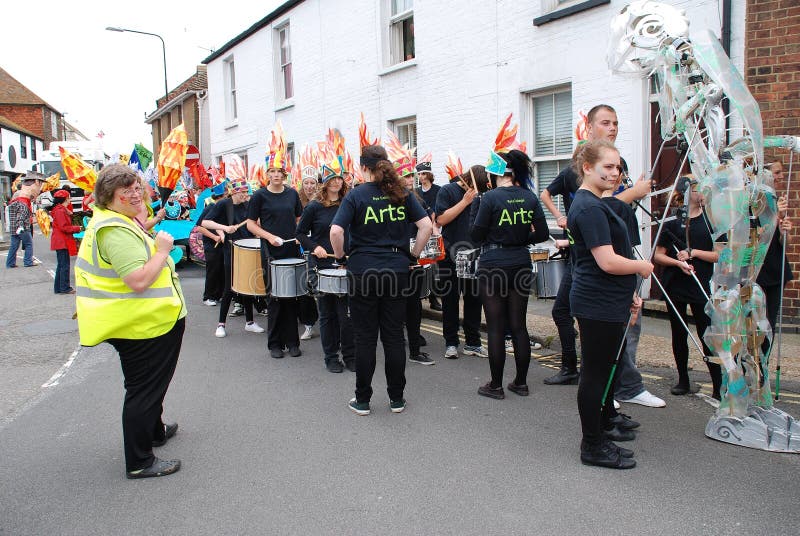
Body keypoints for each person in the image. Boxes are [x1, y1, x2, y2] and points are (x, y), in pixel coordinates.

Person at [74, 164, 184, 479]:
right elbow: (138, 280)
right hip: (140, 325)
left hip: (147, 322)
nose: (137, 194)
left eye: (138, 187)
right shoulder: (114, 230)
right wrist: (163, 251)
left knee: (151, 386)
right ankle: (140, 461)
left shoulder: (117, 220)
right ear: (110, 196)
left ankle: (155, 430)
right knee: (144, 390)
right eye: (128, 191)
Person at [567, 140, 653, 469]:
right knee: (595, 375)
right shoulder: (588, 207)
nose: (615, 173)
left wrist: (629, 294)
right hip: (596, 303)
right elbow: (606, 261)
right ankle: (592, 445)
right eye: (608, 166)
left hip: (608, 299)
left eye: (617, 167)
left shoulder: (596, 203)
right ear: (587, 167)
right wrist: (641, 267)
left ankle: (601, 432)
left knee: (603, 374)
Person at [330, 144, 432, 415]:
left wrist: (341, 257)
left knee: (365, 338)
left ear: (363, 167)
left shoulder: (355, 196)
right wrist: (412, 255)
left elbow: (336, 232)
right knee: (394, 337)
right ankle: (396, 399)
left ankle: (362, 400)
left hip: (363, 270)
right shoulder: (402, 193)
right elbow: (426, 227)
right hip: (396, 271)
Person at [470, 149, 550, 399]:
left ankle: (495, 386)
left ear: (495, 173)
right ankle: (521, 383)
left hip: (493, 263)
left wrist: (477, 209)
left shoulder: (489, 198)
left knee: (495, 327)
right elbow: (542, 234)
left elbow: (475, 236)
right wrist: (520, 238)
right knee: (519, 326)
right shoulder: (529, 196)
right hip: (520, 262)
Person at [653, 177, 722, 399]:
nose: (703, 191)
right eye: (698, 188)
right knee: (679, 333)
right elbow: (658, 255)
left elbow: (720, 255)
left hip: (700, 283)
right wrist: (677, 262)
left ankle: (718, 384)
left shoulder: (711, 220)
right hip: (675, 284)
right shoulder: (673, 221)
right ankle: (683, 379)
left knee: (706, 333)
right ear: (686, 192)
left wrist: (694, 253)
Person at [296, 157, 355, 373]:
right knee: (328, 314)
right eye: (332, 178)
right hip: (322, 266)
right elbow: (300, 234)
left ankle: (350, 355)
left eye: (340, 178)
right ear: (325, 181)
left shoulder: (350, 203)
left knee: (347, 314)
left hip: (346, 264)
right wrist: (314, 247)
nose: (337, 182)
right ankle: (331, 357)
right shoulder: (314, 207)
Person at [246, 153, 304, 358]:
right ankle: (275, 344)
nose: (277, 175)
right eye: (273, 171)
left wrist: (299, 235)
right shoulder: (259, 196)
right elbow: (251, 223)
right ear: (267, 174)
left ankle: (292, 342)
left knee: (292, 296)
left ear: (285, 174)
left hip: (290, 250)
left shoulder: (292, 194)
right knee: (275, 298)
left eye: (280, 171)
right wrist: (269, 237)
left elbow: (299, 219)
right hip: (271, 252)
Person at [434, 165, 488, 359]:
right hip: (450, 253)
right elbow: (441, 219)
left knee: (474, 299)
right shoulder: (447, 191)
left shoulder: (482, 195)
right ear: (468, 181)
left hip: (474, 253)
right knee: (450, 299)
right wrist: (465, 202)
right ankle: (451, 342)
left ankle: (473, 343)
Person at [203, 179, 264, 337]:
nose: (246, 195)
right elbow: (205, 222)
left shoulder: (248, 205)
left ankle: (250, 322)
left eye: (247, 192)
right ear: (234, 192)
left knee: (248, 286)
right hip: (232, 249)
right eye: (243, 192)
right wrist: (224, 229)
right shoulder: (224, 204)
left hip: (248, 248)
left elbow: (253, 225)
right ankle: (221, 324)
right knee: (230, 287)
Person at [399, 158, 436, 366]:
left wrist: (416, 254)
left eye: (410, 176)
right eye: (403, 176)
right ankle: (396, 347)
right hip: (394, 260)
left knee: (413, 306)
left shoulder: (417, 200)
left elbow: (428, 225)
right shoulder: (390, 200)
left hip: (413, 258)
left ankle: (414, 349)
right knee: (395, 307)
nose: (408, 180)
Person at [759, 162, 794, 361]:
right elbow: (757, 234)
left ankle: (763, 365)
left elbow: (779, 242)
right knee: (754, 321)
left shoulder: (777, 201)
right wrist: (774, 217)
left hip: (775, 268)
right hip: (755, 269)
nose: (781, 177)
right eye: (777, 173)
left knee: (770, 322)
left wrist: (783, 231)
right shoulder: (752, 201)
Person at [415, 158, 442, 311]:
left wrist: (435, 226)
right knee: (420, 266)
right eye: (419, 174)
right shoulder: (416, 192)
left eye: (424, 173)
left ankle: (433, 299)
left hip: (434, 229)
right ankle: (420, 295)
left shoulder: (438, 190)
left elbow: (439, 209)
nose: (422, 176)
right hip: (420, 231)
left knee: (431, 266)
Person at [297, 171, 321, 341]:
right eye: (307, 183)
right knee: (304, 288)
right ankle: (308, 325)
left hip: (318, 248)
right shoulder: (296, 201)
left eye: (313, 183)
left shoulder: (322, 199)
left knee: (319, 286)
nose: (310, 186)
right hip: (300, 248)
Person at [194, 185, 227, 305]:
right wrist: (214, 237)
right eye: (226, 196)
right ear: (221, 196)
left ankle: (220, 294)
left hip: (223, 244)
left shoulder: (224, 208)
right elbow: (199, 227)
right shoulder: (211, 207)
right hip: (211, 245)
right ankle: (208, 296)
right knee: (213, 270)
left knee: (223, 270)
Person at [5, 173, 45, 268]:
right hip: (22, 227)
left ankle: (10, 263)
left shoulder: (15, 202)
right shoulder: (24, 203)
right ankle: (28, 261)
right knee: (28, 244)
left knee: (14, 246)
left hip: (14, 227)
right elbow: (21, 216)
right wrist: (21, 226)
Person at [49, 189, 82, 294]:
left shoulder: (59, 209)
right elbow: (64, 227)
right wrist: (77, 228)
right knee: (64, 265)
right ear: (66, 198)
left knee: (61, 265)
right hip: (62, 241)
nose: (70, 200)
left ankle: (59, 287)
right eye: (69, 198)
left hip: (60, 240)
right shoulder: (60, 211)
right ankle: (64, 287)